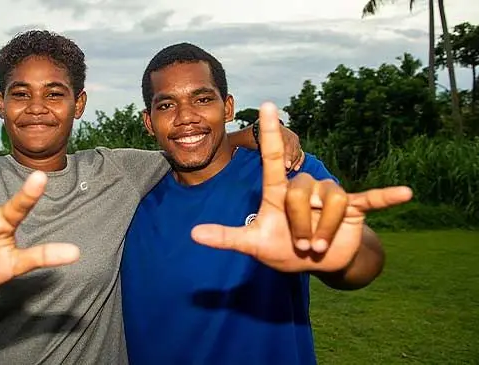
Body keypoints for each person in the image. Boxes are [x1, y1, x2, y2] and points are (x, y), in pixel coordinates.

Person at [0, 30, 304, 364]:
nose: (37, 108)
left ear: (79, 104)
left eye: (55, 94)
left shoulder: (116, 173)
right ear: (0, 104)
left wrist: (257, 133)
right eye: (21, 94)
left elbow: (188, 141)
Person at [120, 43, 412, 364]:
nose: (186, 117)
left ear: (227, 107)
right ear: (148, 122)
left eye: (203, 99)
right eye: (166, 106)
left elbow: (364, 260)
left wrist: (340, 249)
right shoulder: (131, 193)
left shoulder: (283, 172)